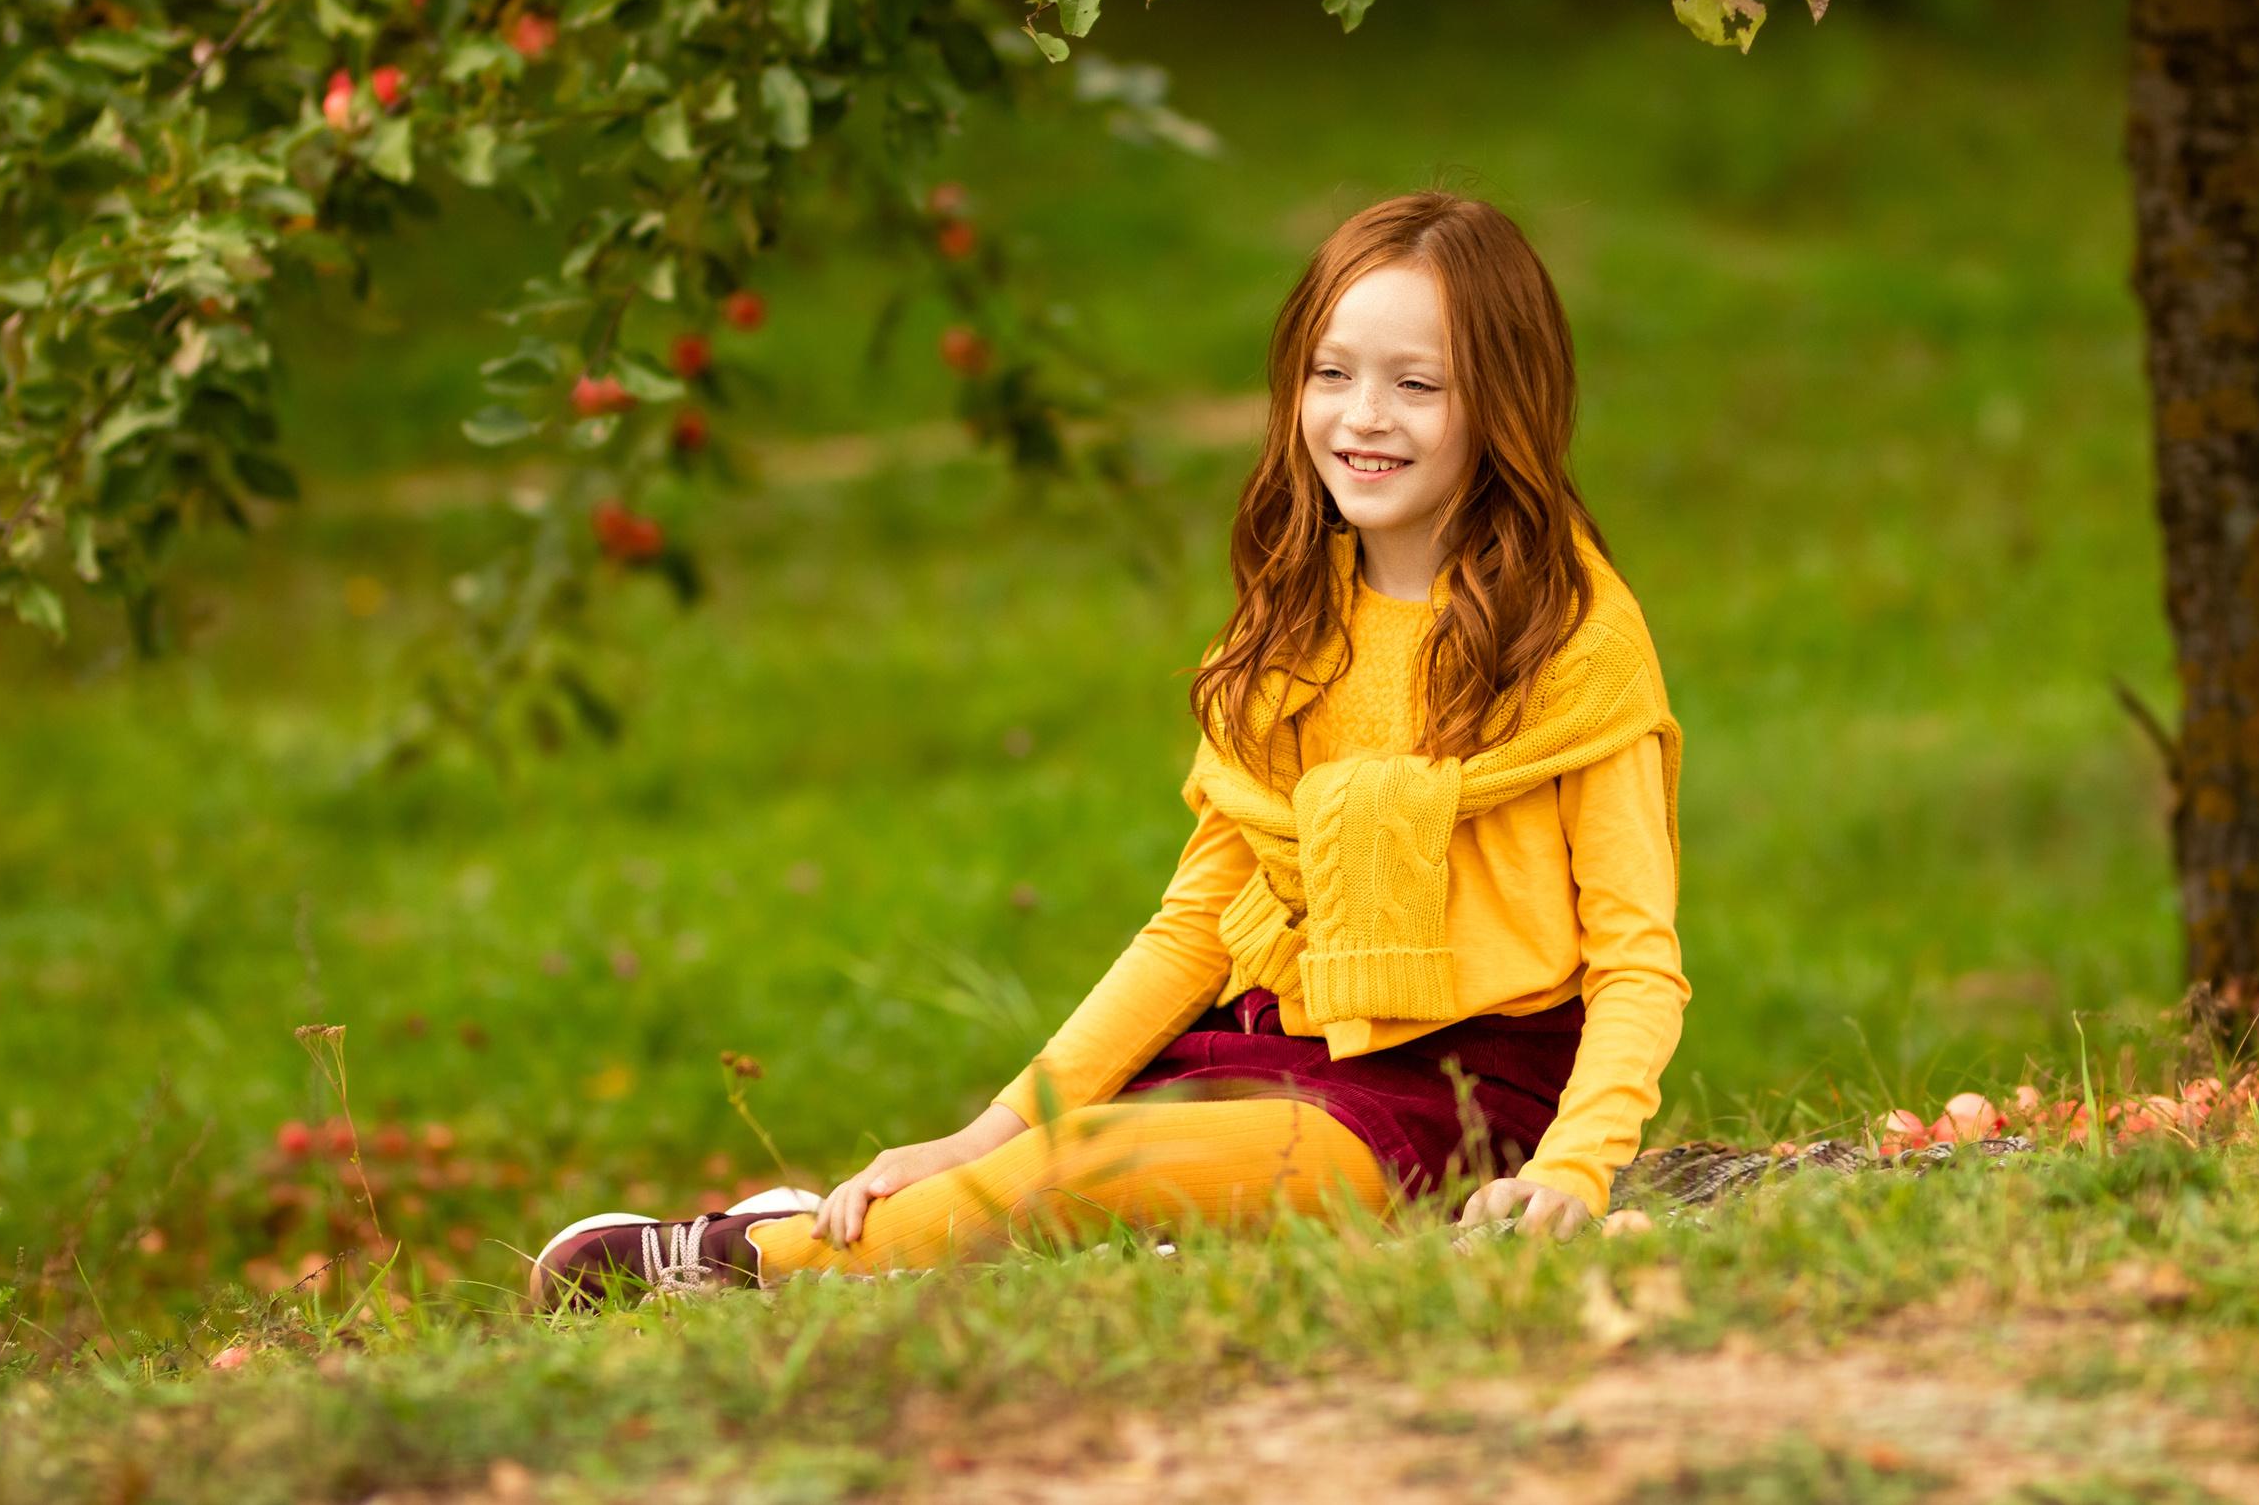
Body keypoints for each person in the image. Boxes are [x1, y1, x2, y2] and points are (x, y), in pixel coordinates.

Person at [529, 192, 1688, 1305]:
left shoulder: (1569, 635)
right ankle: (853, 1231)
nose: (1362, 417)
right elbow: (1192, 927)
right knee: (1066, 1154)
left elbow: (1635, 959)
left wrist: (1572, 1168)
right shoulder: (1290, 625)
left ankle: (735, 1266)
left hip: (1460, 1096)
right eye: (1330, 375)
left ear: (1505, 402)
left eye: (1416, 384)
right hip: (1275, 1051)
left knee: (1081, 1177)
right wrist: (982, 1129)